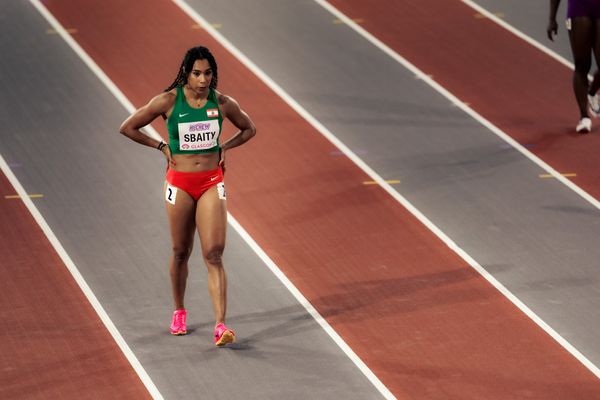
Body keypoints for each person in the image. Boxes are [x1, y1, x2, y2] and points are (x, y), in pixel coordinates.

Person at [119, 46, 256, 346]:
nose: (203, 79)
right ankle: (179, 310)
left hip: (210, 181)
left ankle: (221, 325)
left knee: (214, 253)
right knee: (181, 251)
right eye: (197, 73)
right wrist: (160, 147)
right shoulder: (168, 100)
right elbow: (128, 127)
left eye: (208, 73)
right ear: (186, 73)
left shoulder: (222, 103)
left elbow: (249, 129)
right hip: (179, 184)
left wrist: (224, 147)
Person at [548, 0, 600, 133]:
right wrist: (552, 18)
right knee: (582, 64)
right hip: (579, 7)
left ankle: (592, 92)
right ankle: (584, 117)